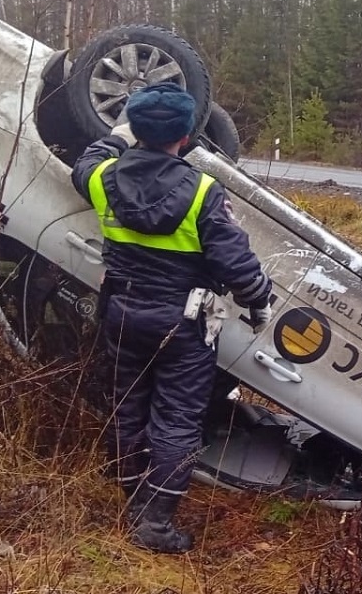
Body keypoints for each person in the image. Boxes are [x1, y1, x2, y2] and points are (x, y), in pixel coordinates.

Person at [71, 82, 274, 553]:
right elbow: (234, 260)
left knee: (128, 403)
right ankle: (153, 522)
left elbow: (86, 162)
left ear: (137, 129)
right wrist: (258, 299)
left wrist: (119, 135)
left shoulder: (104, 178)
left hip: (121, 312)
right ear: (185, 137)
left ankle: (129, 486)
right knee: (177, 419)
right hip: (182, 323)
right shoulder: (203, 191)